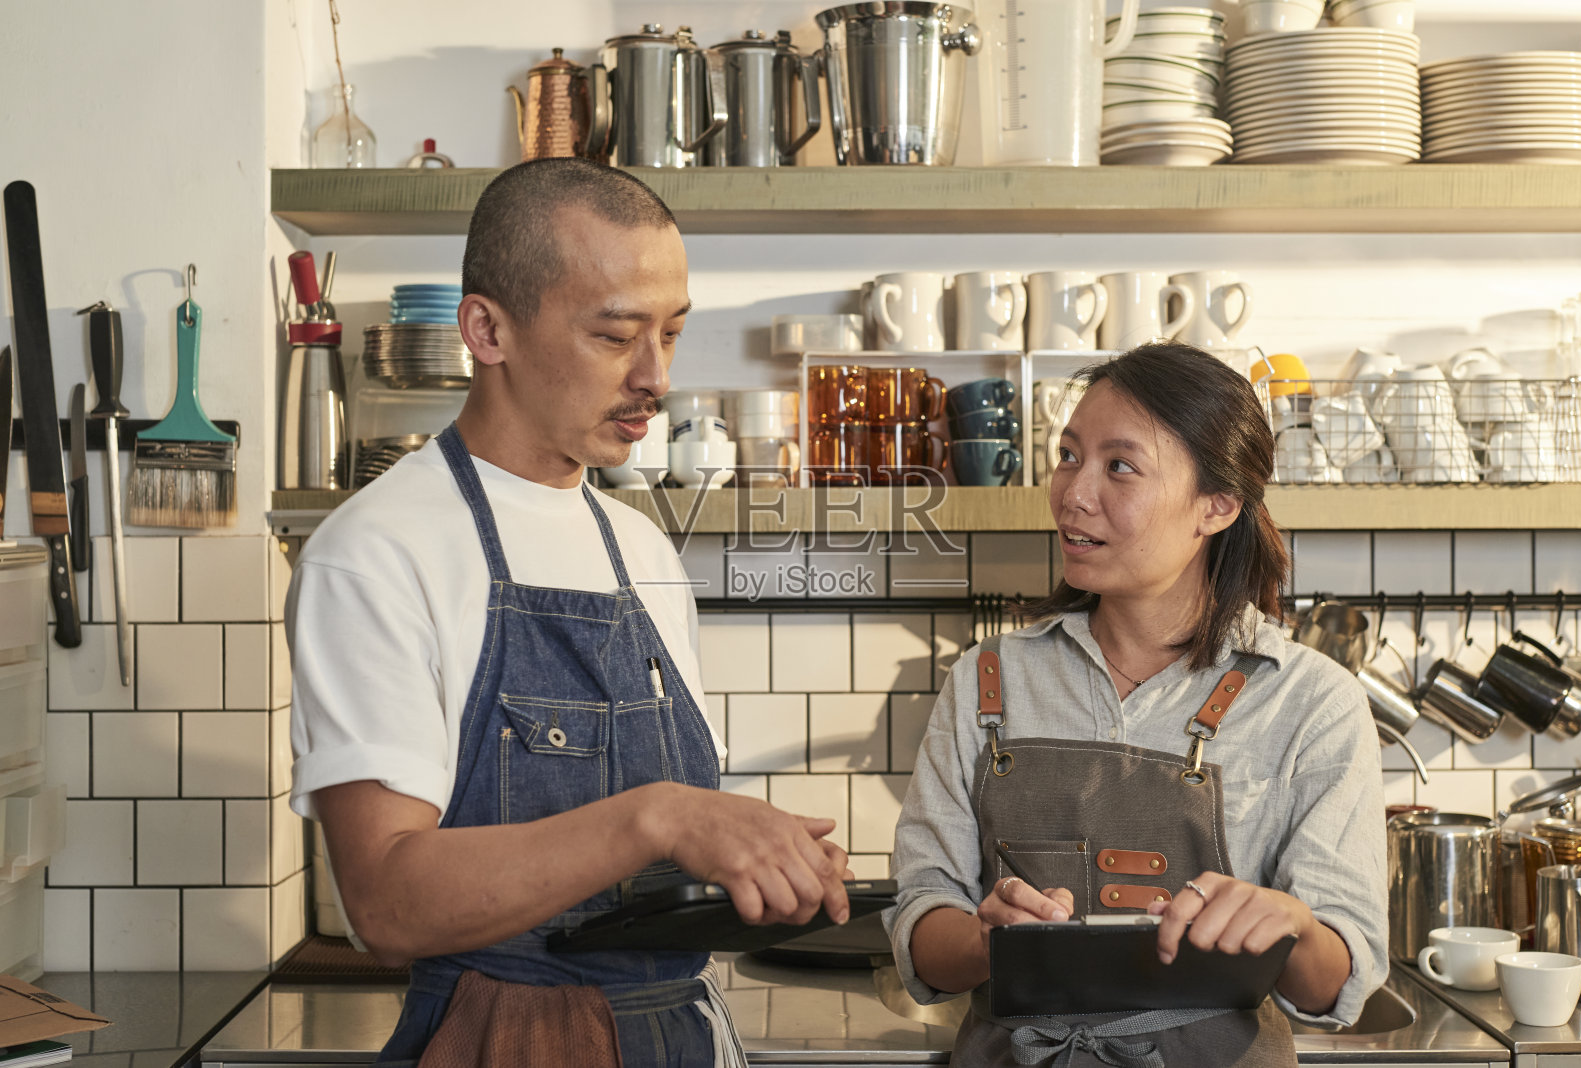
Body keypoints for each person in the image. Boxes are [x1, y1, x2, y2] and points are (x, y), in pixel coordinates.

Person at [286, 158, 851, 1067]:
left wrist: (754, 860)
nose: (655, 376)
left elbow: (647, 875)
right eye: (615, 335)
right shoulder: (377, 552)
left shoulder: (642, 549)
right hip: (503, 1041)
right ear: (487, 330)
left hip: (681, 1033)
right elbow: (387, 906)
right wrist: (660, 818)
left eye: (671, 332)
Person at [887, 342, 1388, 1067]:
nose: (1073, 493)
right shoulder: (986, 680)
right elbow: (922, 920)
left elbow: (1336, 981)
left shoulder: (1312, 701)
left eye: (1119, 466)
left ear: (1217, 505)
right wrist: (981, 940)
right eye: (1068, 456)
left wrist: (1293, 927)